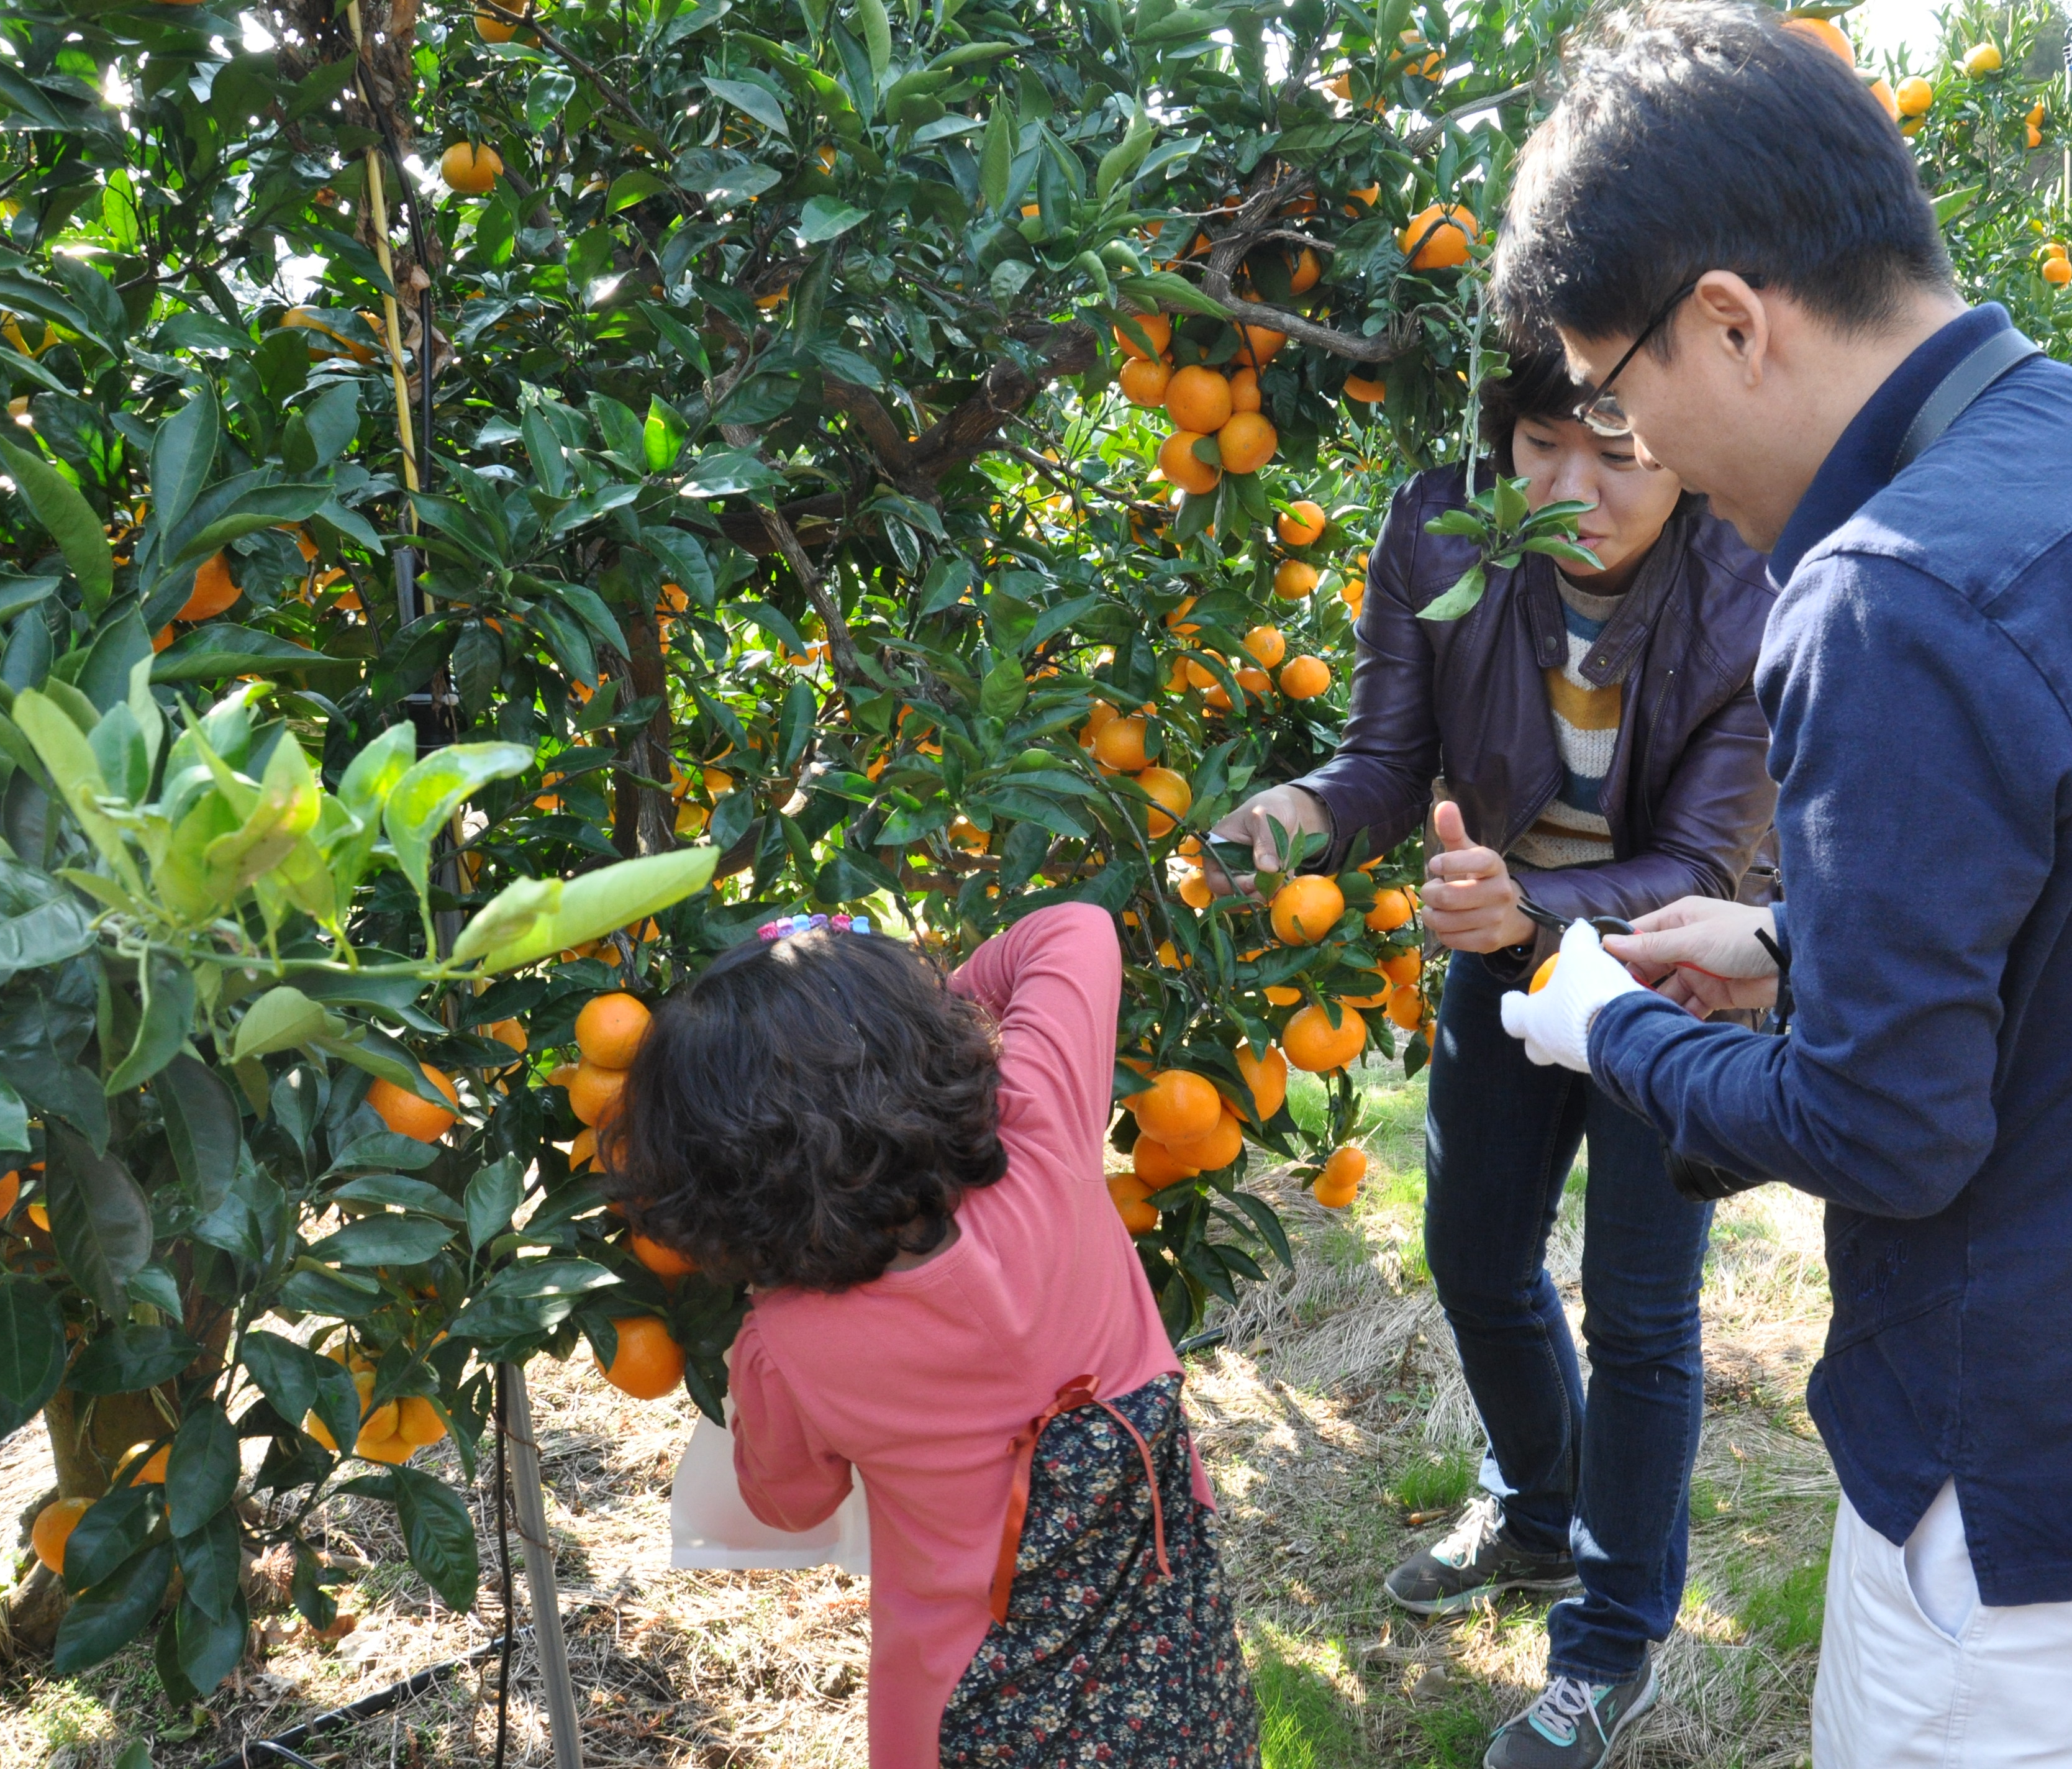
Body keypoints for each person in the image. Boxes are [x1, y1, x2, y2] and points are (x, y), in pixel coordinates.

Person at [1489, 8, 2072, 1768]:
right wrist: (1803, 938)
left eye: (1619, 392)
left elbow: (1890, 1131)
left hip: (2015, 1520)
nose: (1641, 452)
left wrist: (1602, 1031)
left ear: (1728, 317)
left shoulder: (1894, 591)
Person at [1206, 345, 1779, 1768]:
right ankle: (1534, 1507)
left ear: (1685, 447)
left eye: (1618, 454)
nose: (1569, 489)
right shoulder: (1438, 524)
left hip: (1675, 973)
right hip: (1499, 951)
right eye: (1537, 445)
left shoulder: (1751, 579)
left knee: (1641, 1315)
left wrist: (1533, 905)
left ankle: (1610, 1638)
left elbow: (1706, 856)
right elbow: (1387, 760)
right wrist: (1287, 818)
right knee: (1472, 1258)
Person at [601, 904, 1258, 1769]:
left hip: (964, 1717)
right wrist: (904, 1024)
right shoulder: (1041, 1131)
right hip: (1171, 1661)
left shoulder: (789, 1344)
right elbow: (1079, 929)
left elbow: (788, 1503)